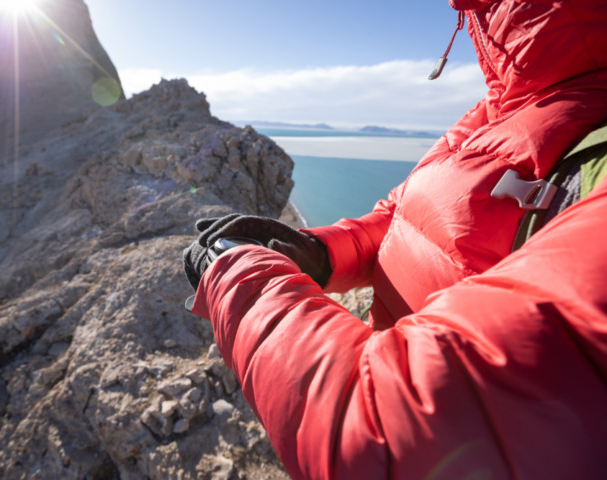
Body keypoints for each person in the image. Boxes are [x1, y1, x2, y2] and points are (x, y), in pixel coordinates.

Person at [183, 1, 607, 478]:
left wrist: (243, 280)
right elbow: (404, 215)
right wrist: (321, 253)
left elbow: (394, 428)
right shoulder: (500, 110)